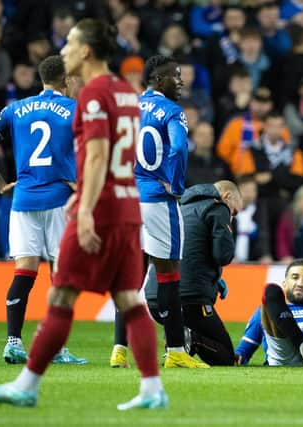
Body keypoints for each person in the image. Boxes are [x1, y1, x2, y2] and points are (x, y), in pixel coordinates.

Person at [0, 18, 168, 410]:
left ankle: (27, 385)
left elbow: (96, 156)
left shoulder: (94, 94)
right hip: (128, 204)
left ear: (86, 51)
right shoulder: (126, 93)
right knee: (129, 299)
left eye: (69, 45)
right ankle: (152, 389)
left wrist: (84, 210)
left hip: (100, 207)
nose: (62, 51)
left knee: (62, 292)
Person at [0, 55, 85, 366]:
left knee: (24, 272)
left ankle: (13, 342)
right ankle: (57, 348)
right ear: (66, 81)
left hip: (23, 201)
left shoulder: (16, 108)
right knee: (61, 277)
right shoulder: (75, 110)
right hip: (60, 200)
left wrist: (0, 183)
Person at [110, 54, 208, 370]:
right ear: (159, 79)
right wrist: (175, 184)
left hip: (128, 199)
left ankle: (118, 350)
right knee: (168, 276)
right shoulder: (172, 111)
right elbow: (179, 148)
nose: (181, 81)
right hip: (156, 200)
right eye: (176, 76)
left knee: (131, 277)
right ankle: (176, 351)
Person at [144, 181, 243, 366]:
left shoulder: (176, 206)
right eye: (235, 212)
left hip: (154, 297)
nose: (232, 217)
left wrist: (214, 277)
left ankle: (177, 341)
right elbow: (224, 255)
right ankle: (189, 336)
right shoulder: (218, 208)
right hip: (189, 298)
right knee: (225, 357)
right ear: (227, 196)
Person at [234, 259, 303, 367]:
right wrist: (238, 356)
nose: (300, 283)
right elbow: (244, 350)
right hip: (284, 353)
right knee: (271, 290)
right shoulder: (266, 311)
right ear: (285, 284)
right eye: (295, 277)